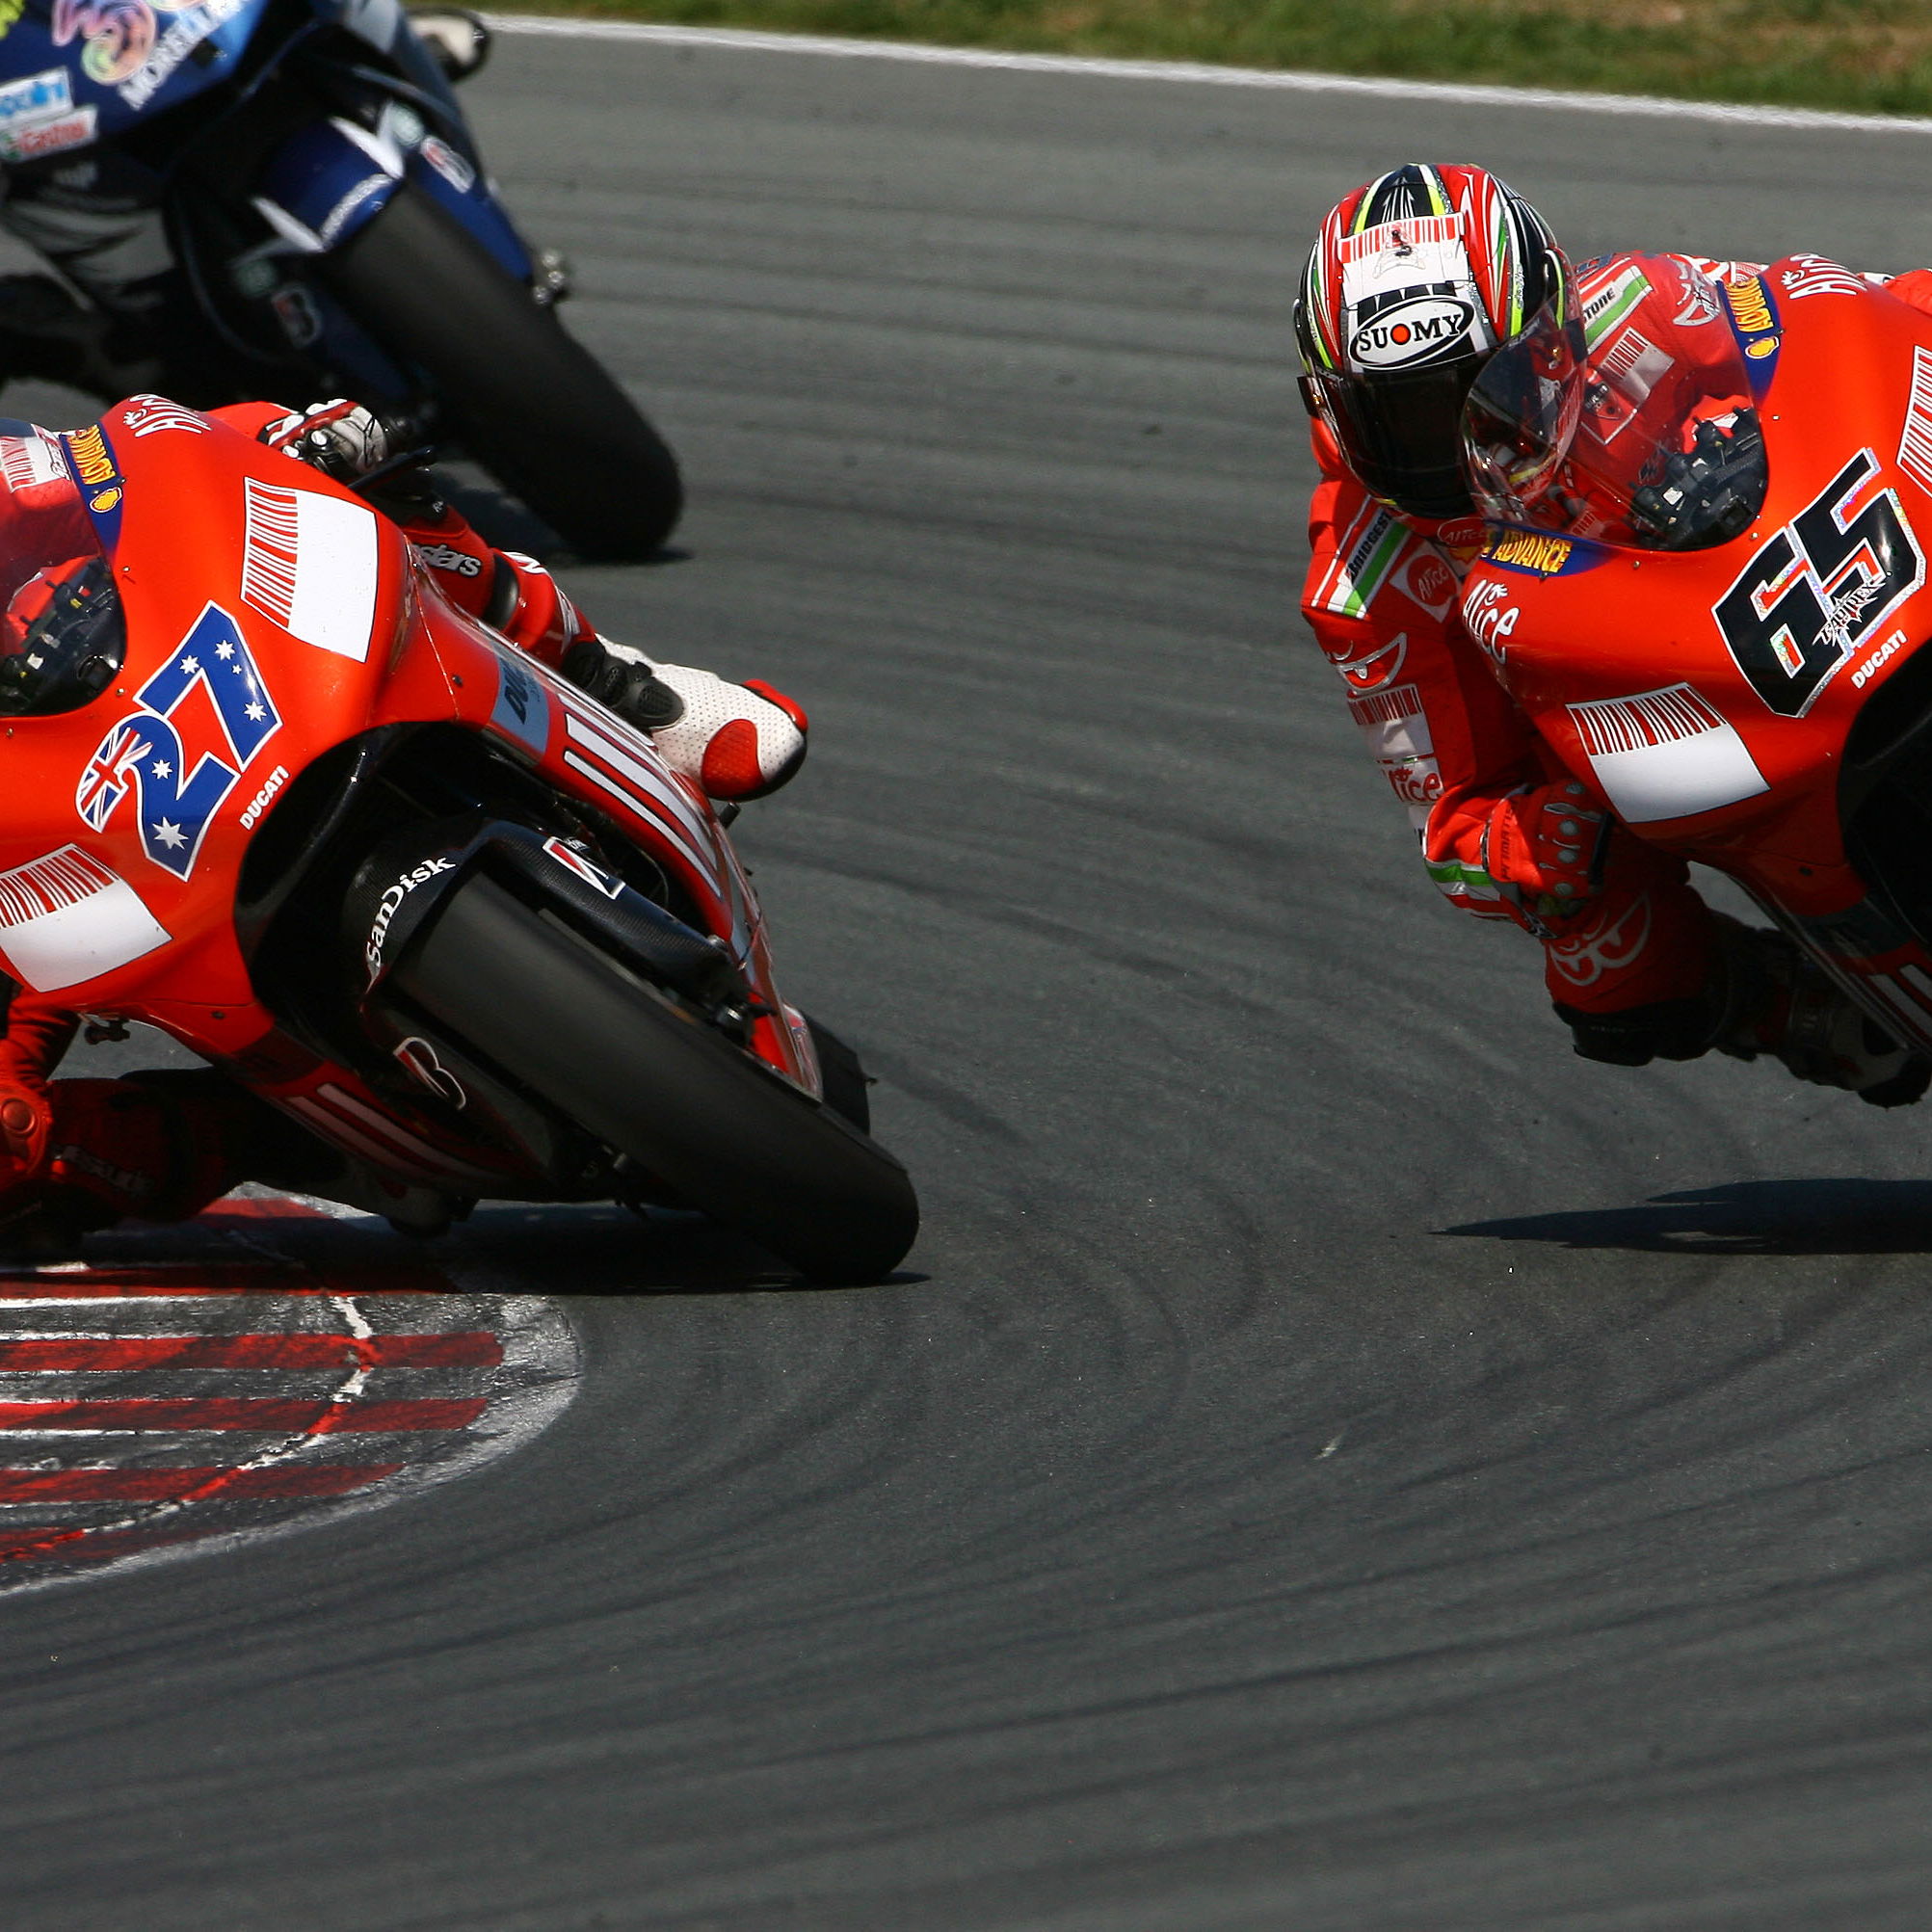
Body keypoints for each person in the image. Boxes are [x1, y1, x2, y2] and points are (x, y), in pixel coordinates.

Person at [0, 396, 808, 1252]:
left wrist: (265, 438)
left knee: (312, 452)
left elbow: (107, 455)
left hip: (124, 650)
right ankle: (278, 1137)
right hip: (37, 851)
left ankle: (615, 682)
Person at [1297, 161, 1932, 1105]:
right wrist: (1531, 843)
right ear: (1334, 407)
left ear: (1552, 337)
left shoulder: (1640, 303)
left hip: (1773, 573)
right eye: (1406, 416)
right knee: (1613, 969)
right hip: (1625, 721)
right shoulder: (1362, 580)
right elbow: (1452, 825)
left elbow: (1817, 306)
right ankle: (1787, 1003)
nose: (1452, 445)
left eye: (1478, 388)